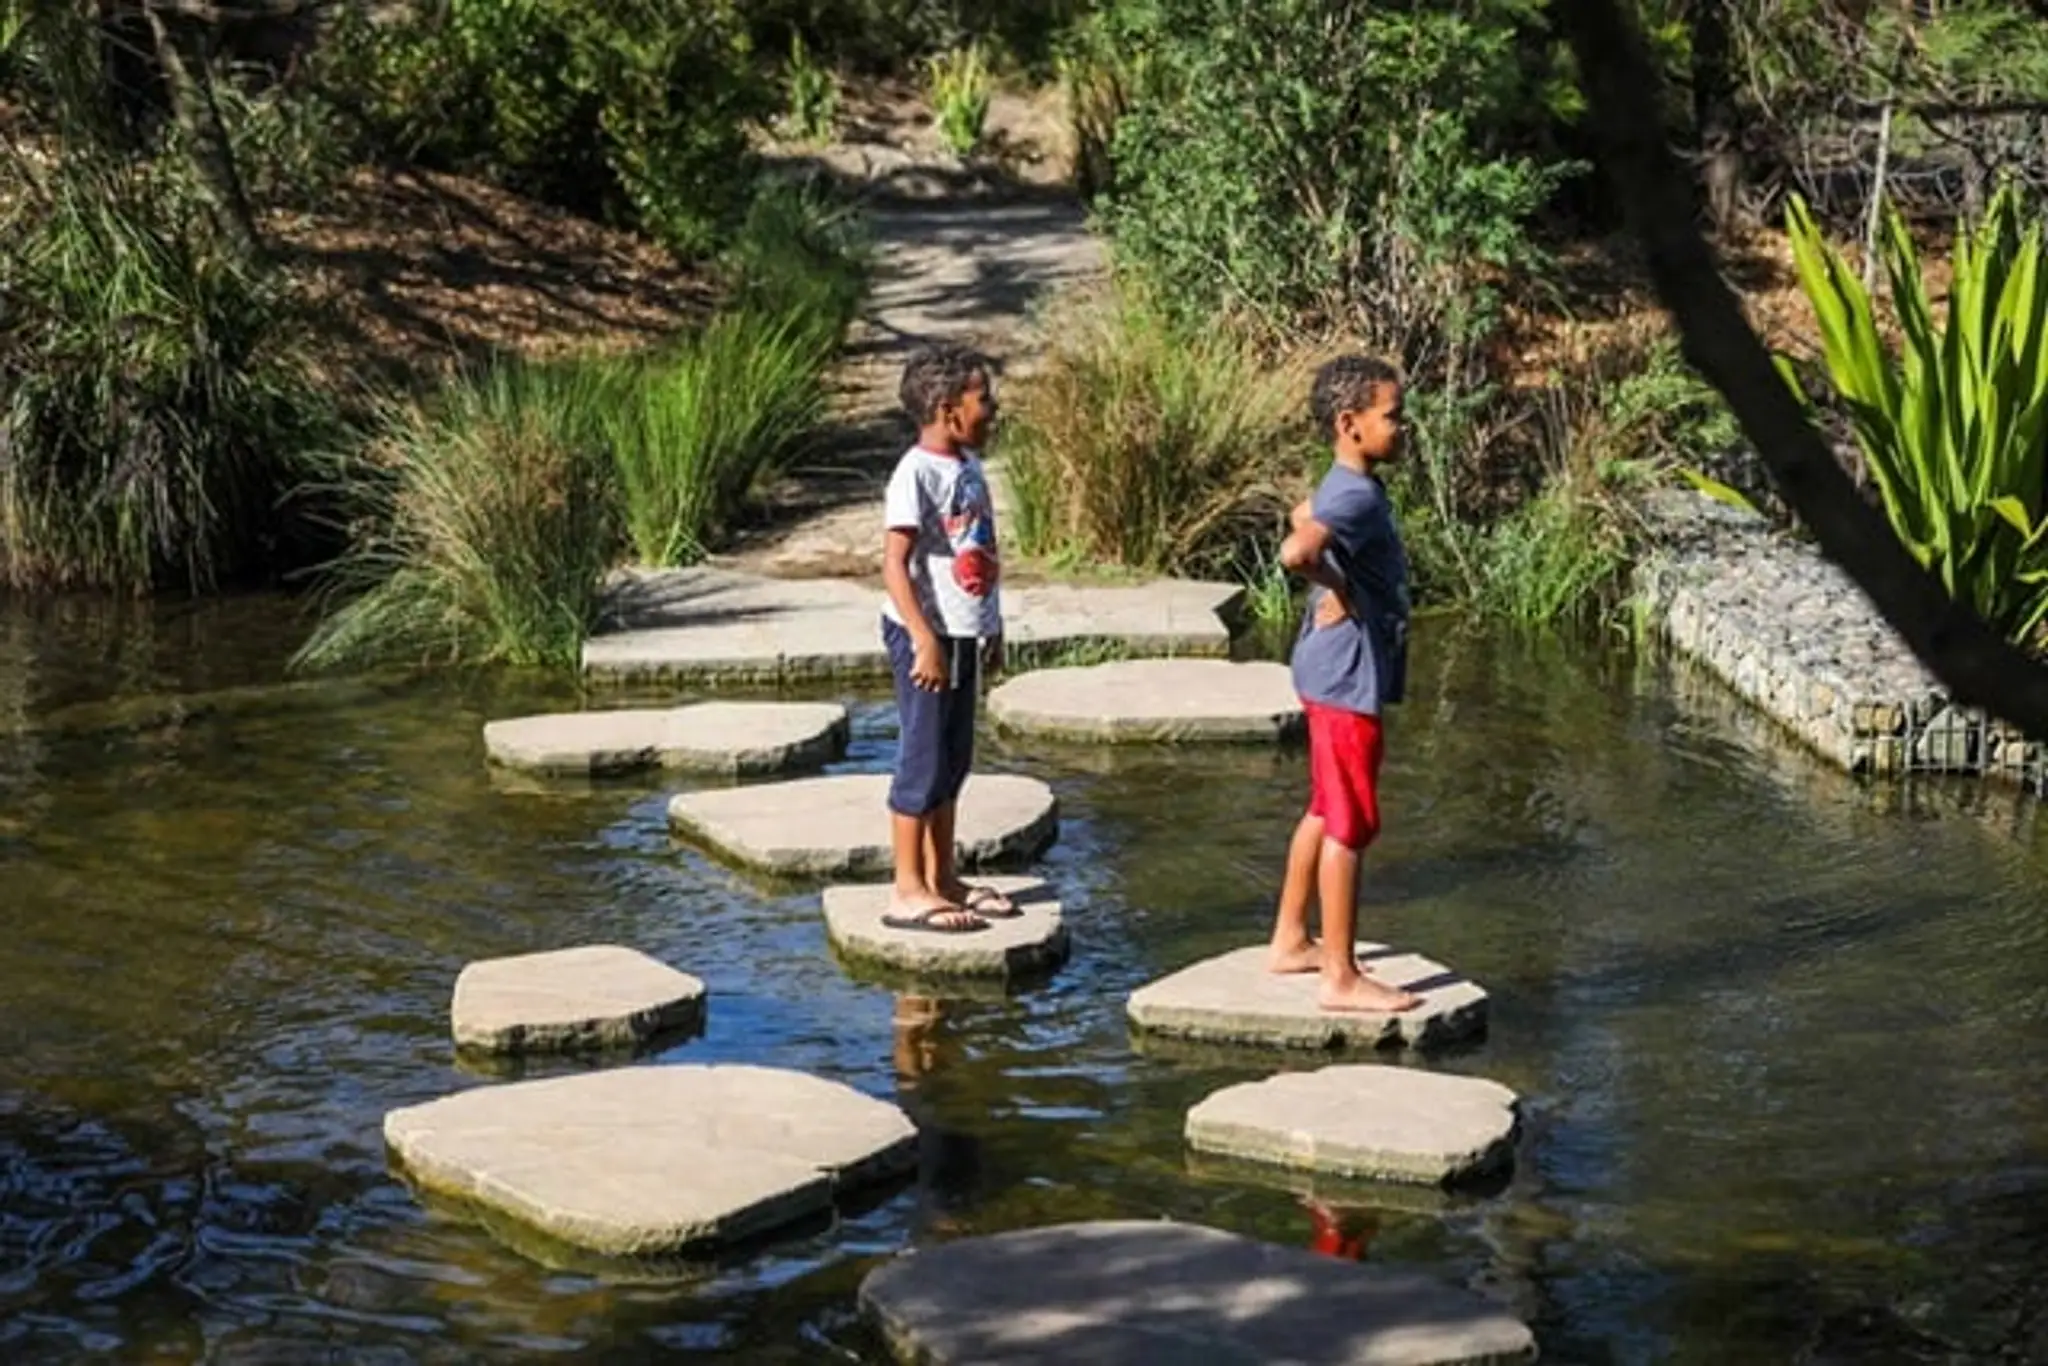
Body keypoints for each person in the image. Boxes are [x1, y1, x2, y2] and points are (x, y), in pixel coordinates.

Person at [1266, 355, 1423, 1013]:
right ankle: (1340, 976)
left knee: (1325, 806)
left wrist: (1341, 579)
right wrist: (1341, 586)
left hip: (1328, 667)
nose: (1403, 426)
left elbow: (1304, 512)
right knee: (1351, 822)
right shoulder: (1355, 494)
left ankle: (1289, 939)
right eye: (1393, 416)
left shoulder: (1345, 484)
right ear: (1349, 423)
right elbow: (1297, 551)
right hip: (1345, 677)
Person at [879, 342, 1019, 933]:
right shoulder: (915, 473)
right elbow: (895, 564)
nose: (993, 408)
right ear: (947, 409)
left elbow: (978, 549)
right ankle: (907, 888)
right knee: (923, 756)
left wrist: (992, 623)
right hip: (928, 636)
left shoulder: (967, 464)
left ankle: (944, 876)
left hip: (962, 631)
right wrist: (923, 639)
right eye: (983, 398)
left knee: (954, 758)